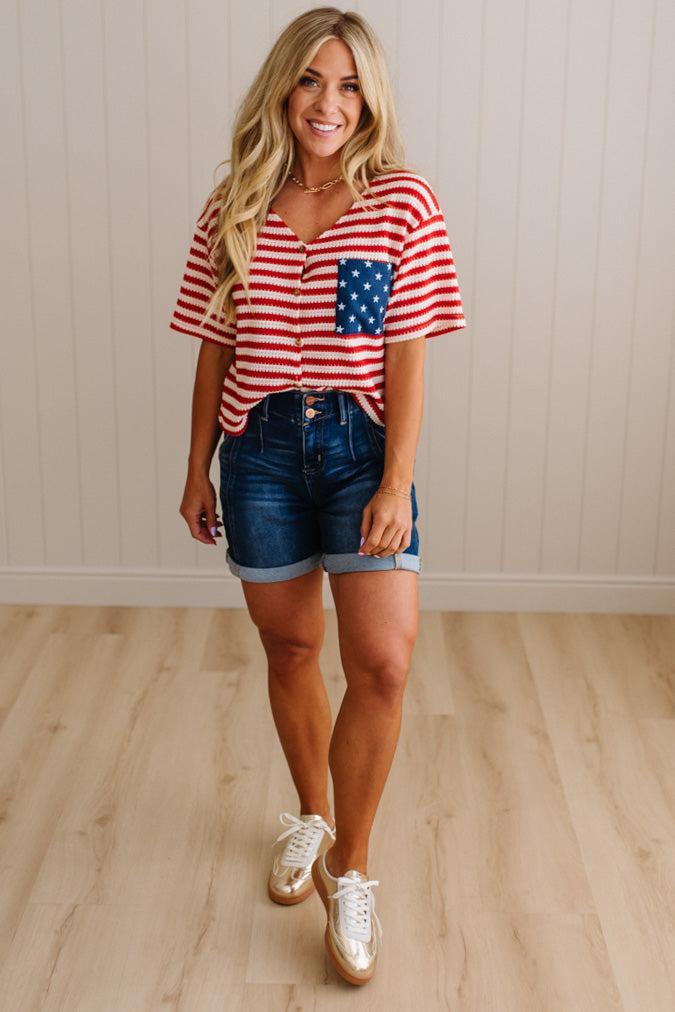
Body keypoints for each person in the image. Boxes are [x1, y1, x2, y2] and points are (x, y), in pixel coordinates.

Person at [170, 6, 466, 987]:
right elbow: (216, 343)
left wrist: (396, 479)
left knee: (381, 660)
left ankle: (353, 864)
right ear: (282, 91)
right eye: (309, 81)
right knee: (292, 646)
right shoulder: (235, 204)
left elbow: (407, 351)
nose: (326, 102)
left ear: (368, 97)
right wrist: (197, 463)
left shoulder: (402, 204)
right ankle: (311, 812)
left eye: (346, 85)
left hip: (359, 446)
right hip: (256, 451)